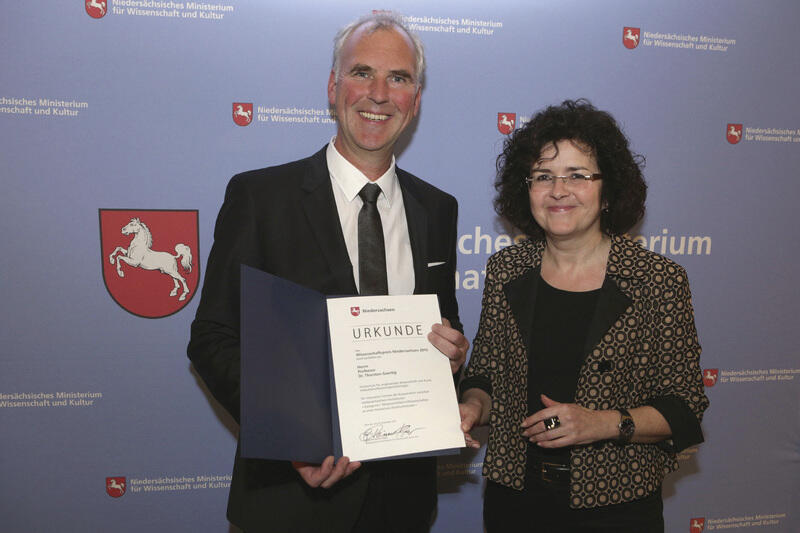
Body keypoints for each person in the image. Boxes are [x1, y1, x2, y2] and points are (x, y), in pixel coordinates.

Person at [187, 12, 469, 533]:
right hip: (290, 501)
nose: (379, 94)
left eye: (399, 78)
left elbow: (440, 319)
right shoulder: (260, 197)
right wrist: (293, 440)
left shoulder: (438, 208)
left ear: (416, 100)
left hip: (402, 504)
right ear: (333, 87)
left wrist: (450, 354)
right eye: (362, 72)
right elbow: (213, 337)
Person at [459, 100, 709, 532]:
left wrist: (598, 423)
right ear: (527, 189)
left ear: (608, 189)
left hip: (615, 509)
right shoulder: (506, 270)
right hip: (514, 501)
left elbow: (684, 410)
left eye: (577, 175)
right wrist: (472, 406)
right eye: (543, 176)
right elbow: (485, 376)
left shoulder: (657, 280)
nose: (559, 190)